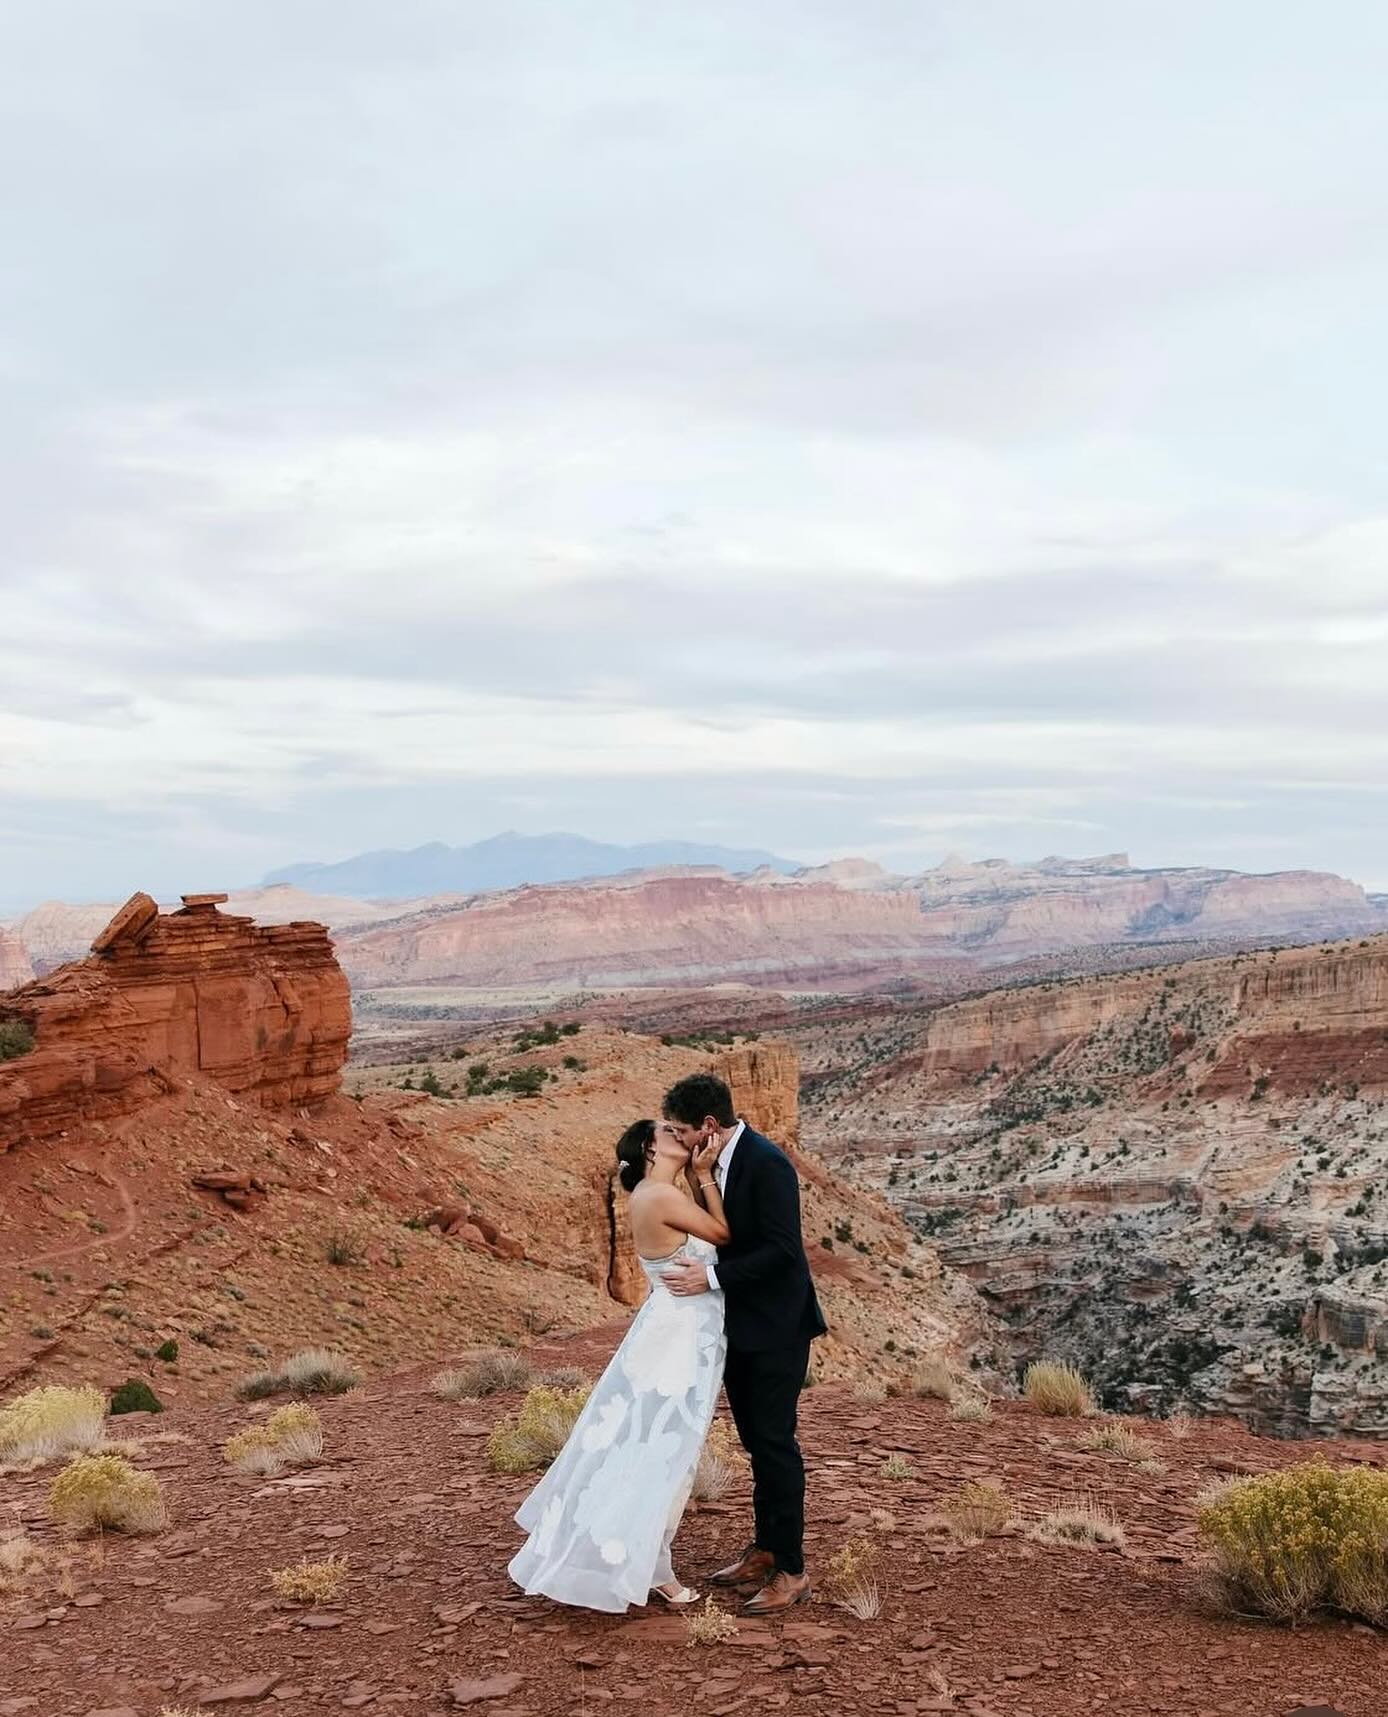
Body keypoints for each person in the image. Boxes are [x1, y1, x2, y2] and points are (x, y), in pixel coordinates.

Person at [507, 1116, 728, 1612]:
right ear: (651, 1149)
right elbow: (725, 1234)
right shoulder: (659, 1194)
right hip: (679, 1339)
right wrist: (707, 1176)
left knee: (647, 1442)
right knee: (662, 1449)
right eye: (669, 1132)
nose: (681, 1134)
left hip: (679, 1332)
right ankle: (653, 1569)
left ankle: (637, 1555)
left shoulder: (658, 1193)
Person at [661, 1071, 827, 1614]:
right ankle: (765, 1548)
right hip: (742, 1327)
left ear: (708, 1126)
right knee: (758, 1444)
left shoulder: (768, 1163)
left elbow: (783, 1252)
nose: (677, 1141)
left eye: (680, 1130)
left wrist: (708, 1280)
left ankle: (793, 1570)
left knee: (777, 1446)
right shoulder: (712, 1164)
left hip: (778, 1329)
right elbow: (722, 1231)